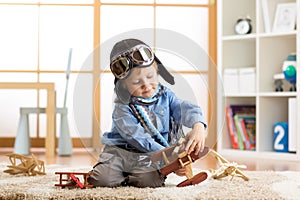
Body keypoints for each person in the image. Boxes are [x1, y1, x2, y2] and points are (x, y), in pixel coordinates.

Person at [88, 38, 207, 188]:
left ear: (157, 71)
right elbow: (137, 137)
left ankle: (134, 176)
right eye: (137, 82)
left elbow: (182, 108)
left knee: (148, 181)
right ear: (123, 86)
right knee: (102, 180)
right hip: (119, 153)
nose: (146, 85)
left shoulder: (166, 96)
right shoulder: (122, 107)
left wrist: (198, 125)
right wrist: (169, 158)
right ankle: (122, 175)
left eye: (150, 77)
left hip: (149, 157)